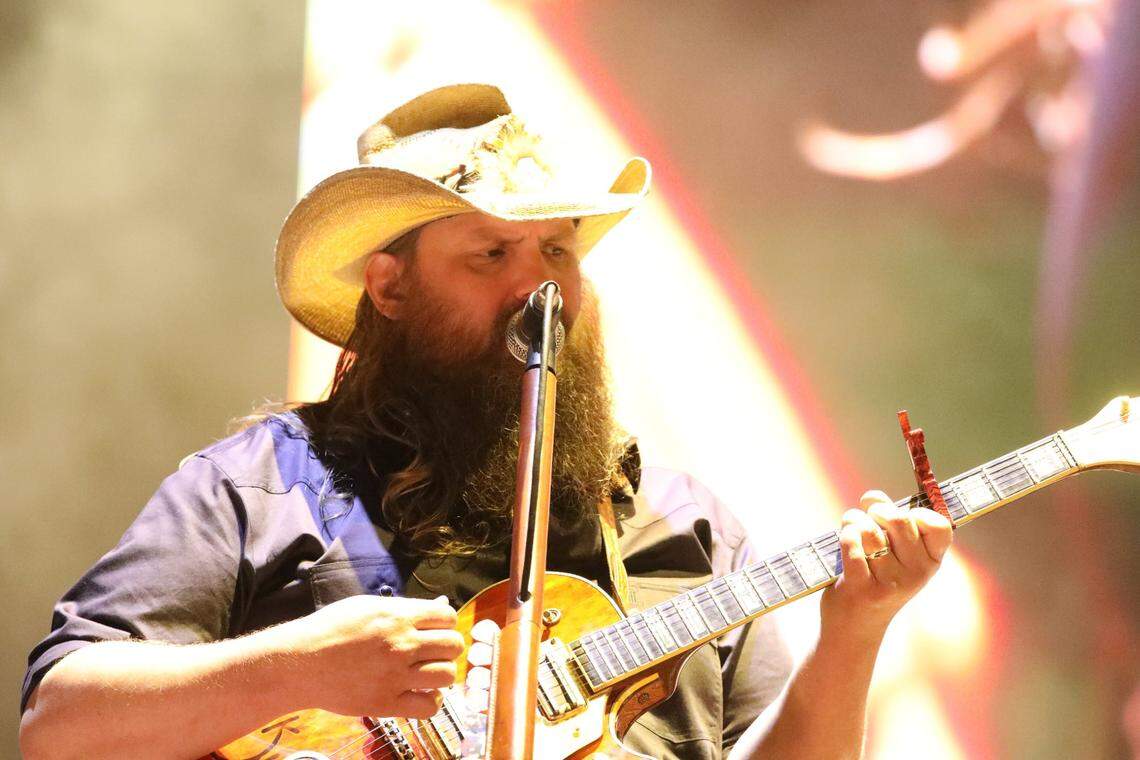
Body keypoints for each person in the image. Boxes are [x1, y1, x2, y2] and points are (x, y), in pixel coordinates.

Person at [18, 84, 953, 760]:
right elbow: (62, 724)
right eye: (491, 252)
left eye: (557, 248)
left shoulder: (686, 526)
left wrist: (855, 632)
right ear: (390, 285)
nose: (536, 283)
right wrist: (296, 668)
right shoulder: (259, 487)